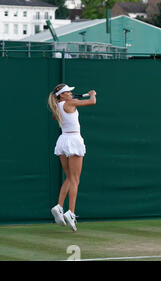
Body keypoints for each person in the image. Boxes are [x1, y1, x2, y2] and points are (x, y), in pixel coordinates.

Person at [48, 83, 96, 231]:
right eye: (67, 92)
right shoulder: (69, 102)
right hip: (74, 140)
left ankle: (59, 206)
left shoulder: (58, 106)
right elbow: (92, 102)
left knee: (69, 178)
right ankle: (71, 212)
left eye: (70, 92)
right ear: (62, 95)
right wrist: (93, 93)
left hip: (63, 141)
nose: (70, 93)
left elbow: (59, 118)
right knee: (75, 179)